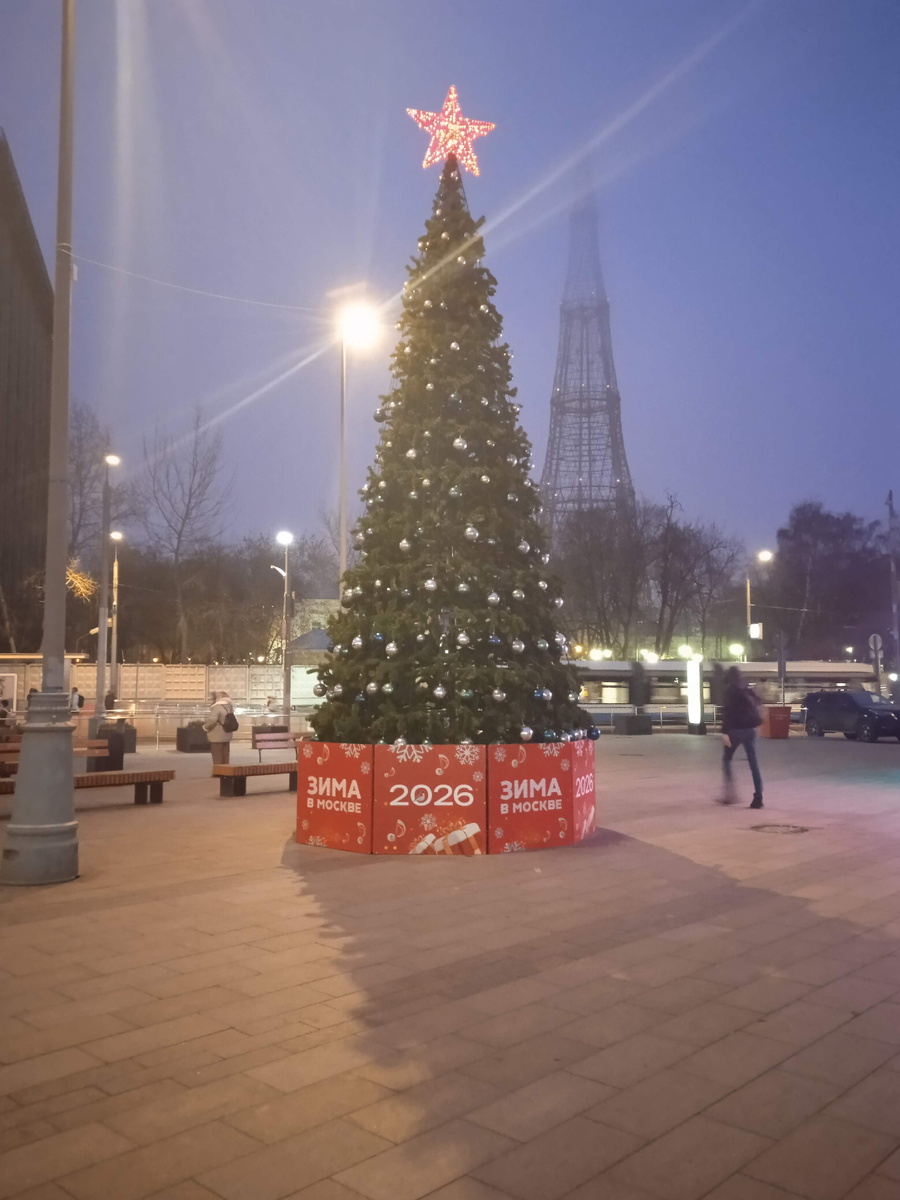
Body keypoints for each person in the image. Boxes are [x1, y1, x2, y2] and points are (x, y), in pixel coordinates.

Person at [719, 666, 764, 808]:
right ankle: (758, 797)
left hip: (735, 731)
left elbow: (728, 712)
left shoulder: (731, 690)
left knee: (726, 760)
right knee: (753, 763)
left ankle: (730, 794)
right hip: (750, 730)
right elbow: (758, 701)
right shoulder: (746, 689)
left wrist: (724, 732)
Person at [204, 690, 236, 765]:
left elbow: (212, 720)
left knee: (217, 755)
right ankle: (226, 770)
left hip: (217, 735)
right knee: (225, 754)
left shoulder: (217, 707)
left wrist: (206, 727)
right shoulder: (229, 706)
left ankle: (218, 771)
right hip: (227, 733)